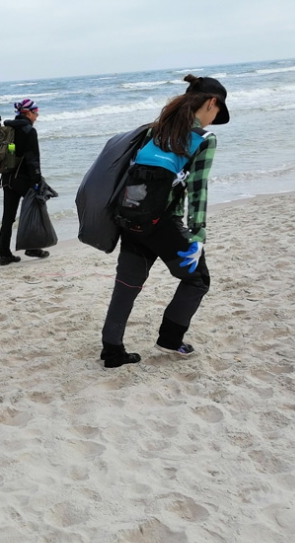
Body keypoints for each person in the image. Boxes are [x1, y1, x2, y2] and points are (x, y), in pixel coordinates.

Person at [100, 75, 230, 368]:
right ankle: (170, 340)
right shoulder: (203, 140)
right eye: (217, 111)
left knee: (126, 285)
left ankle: (112, 351)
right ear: (212, 102)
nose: (214, 119)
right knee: (197, 280)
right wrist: (198, 235)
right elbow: (197, 190)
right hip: (164, 225)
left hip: (131, 219)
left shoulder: (153, 131)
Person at [0, 99, 50, 265]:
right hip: (24, 179)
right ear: (27, 113)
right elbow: (33, 159)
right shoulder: (29, 131)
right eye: (35, 113)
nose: (37, 116)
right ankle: (32, 248)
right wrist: (37, 181)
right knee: (35, 210)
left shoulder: (8, 128)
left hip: (7, 178)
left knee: (8, 218)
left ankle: (4, 254)